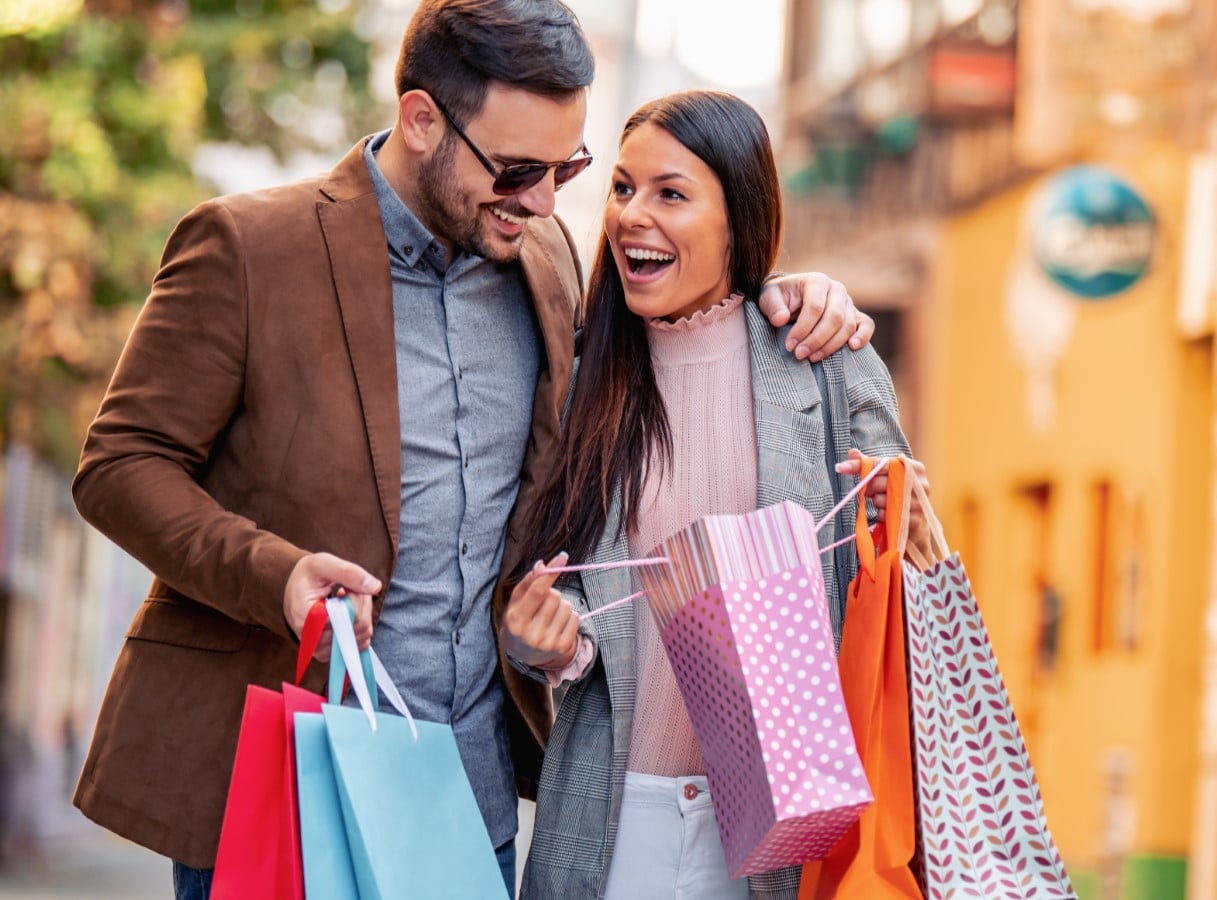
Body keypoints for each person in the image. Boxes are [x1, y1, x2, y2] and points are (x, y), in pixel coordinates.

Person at [67, 2, 874, 897]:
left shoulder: (546, 263)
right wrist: (278, 574)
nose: (541, 201)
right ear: (421, 120)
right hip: (290, 793)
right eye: (518, 169)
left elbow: (685, 343)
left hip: (470, 798)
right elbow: (119, 465)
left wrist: (793, 295)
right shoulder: (250, 247)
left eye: (565, 168)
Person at [499, 90, 934, 900]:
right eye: (623, 188)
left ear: (739, 217)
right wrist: (546, 646)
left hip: (787, 832)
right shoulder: (577, 378)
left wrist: (899, 512)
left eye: (671, 193)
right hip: (613, 816)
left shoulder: (827, 362)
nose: (633, 216)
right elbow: (562, 609)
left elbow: (910, 552)